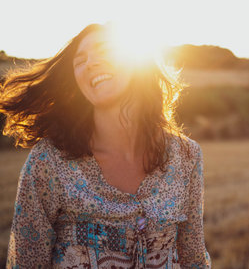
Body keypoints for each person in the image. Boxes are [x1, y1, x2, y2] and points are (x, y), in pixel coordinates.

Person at [1, 23, 211, 268]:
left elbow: (194, 257)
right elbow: (26, 262)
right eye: (80, 61)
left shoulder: (185, 156)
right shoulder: (49, 161)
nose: (91, 63)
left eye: (104, 51)